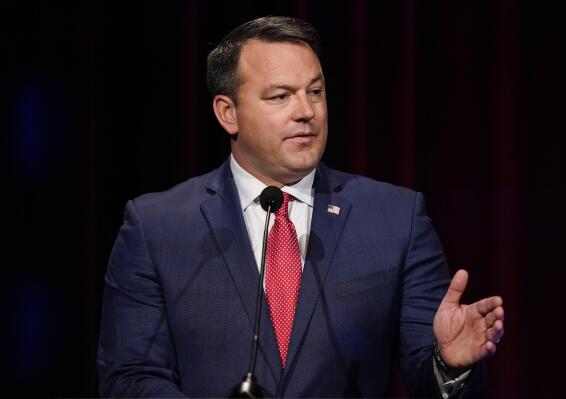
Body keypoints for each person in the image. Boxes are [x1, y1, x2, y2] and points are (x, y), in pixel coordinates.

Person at [97, 16, 504, 398]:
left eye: (315, 92)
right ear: (228, 113)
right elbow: (130, 377)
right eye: (280, 96)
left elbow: (426, 376)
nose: (306, 112)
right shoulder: (157, 226)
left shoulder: (396, 218)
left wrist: (448, 364)